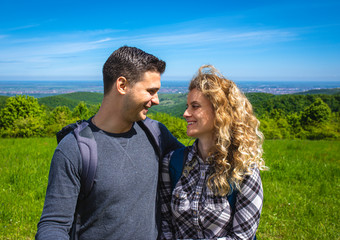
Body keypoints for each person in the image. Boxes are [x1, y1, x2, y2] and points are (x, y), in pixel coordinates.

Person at [36, 46, 184, 240]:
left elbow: (198, 162)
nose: (156, 100)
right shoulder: (74, 149)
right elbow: (53, 224)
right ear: (122, 85)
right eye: (150, 91)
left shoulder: (157, 134)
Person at [160, 65, 267, 239]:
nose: (185, 113)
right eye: (187, 106)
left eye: (195, 106)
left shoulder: (244, 169)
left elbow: (242, 236)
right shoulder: (172, 163)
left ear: (220, 112)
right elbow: (165, 225)